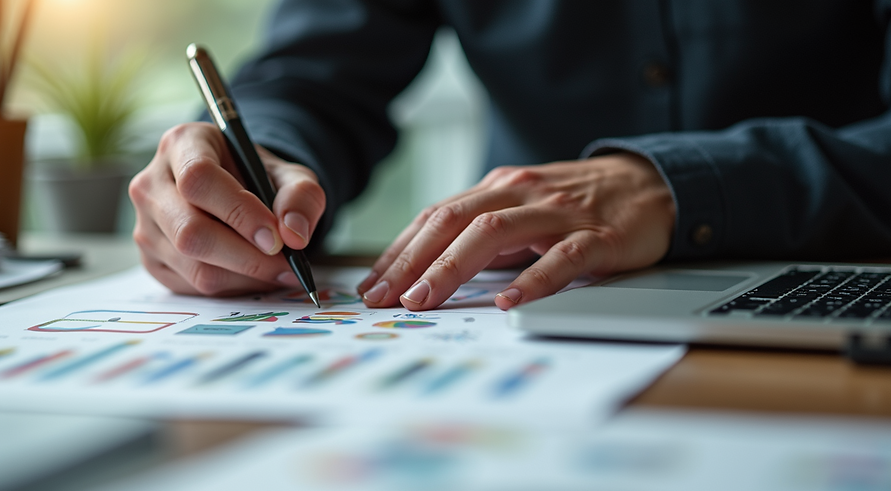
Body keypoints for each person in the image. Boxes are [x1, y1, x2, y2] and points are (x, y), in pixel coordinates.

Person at [129, 0, 891, 312]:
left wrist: (680, 185)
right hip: (520, 305)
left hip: (845, 286)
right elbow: (317, 71)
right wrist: (255, 159)